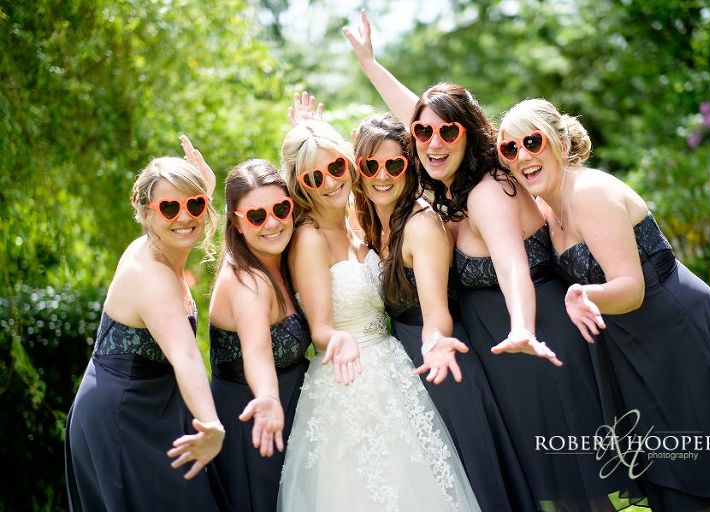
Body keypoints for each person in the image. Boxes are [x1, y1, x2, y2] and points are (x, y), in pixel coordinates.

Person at [344, 11, 638, 511]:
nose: (433, 143)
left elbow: (510, 267)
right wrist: (370, 66)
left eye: (447, 132)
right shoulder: (453, 184)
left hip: (533, 332)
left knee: (576, 490)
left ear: (467, 132)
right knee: (557, 489)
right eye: (423, 133)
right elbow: (423, 117)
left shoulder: (486, 191)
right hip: (499, 346)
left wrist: (523, 327)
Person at [498, 97, 710, 511]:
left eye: (532, 141)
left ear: (558, 141)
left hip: (672, 328)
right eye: (509, 148)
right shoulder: (547, 208)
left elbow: (630, 287)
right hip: (630, 343)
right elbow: (456, 134)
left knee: (697, 475)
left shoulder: (589, 193)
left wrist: (582, 294)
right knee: (672, 482)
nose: (522, 156)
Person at [276, 114, 480, 511]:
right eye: (313, 178)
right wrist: (337, 340)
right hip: (349, 380)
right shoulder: (309, 238)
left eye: (336, 167)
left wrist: (313, 133)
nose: (330, 181)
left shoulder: (359, 221)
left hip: (394, 371)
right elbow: (320, 327)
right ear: (301, 186)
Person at [352, 112, 537, 511]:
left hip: (442, 365)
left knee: (474, 483)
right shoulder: (373, 221)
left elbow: (436, 311)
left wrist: (435, 342)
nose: (381, 175)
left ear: (409, 165)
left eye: (394, 164)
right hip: (409, 369)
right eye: (370, 165)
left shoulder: (420, 226)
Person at [65, 140, 226, 511]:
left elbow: (183, 213)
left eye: (196, 203)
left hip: (154, 406)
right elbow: (185, 354)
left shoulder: (161, 245)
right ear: (146, 214)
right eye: (169, 207)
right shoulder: (151, 276)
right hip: (122, 416)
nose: (185, 217)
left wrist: (203, 185)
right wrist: (210, 423)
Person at [208, 159, 311, 511]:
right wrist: (268, 396)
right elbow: (256, 351)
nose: (272, 223)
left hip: (288, 415)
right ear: (236, 223)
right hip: (254, 425)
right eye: (256, 216)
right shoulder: (246, 281)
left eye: (281, 208)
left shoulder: (281, 259)